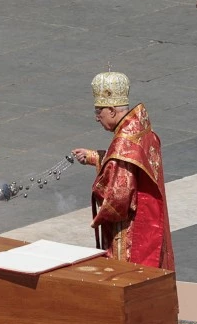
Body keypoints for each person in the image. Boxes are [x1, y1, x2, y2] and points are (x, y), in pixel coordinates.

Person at [71, 70, 173, 270]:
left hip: (131, 231)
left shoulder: (122, 143)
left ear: (111, 110)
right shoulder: (142, 130)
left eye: (98, 112)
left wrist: (98, 198)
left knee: (128, 275)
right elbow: (126, 165)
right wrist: (95, 157)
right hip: (150, 218)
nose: (97, 118)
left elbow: (118, 198)